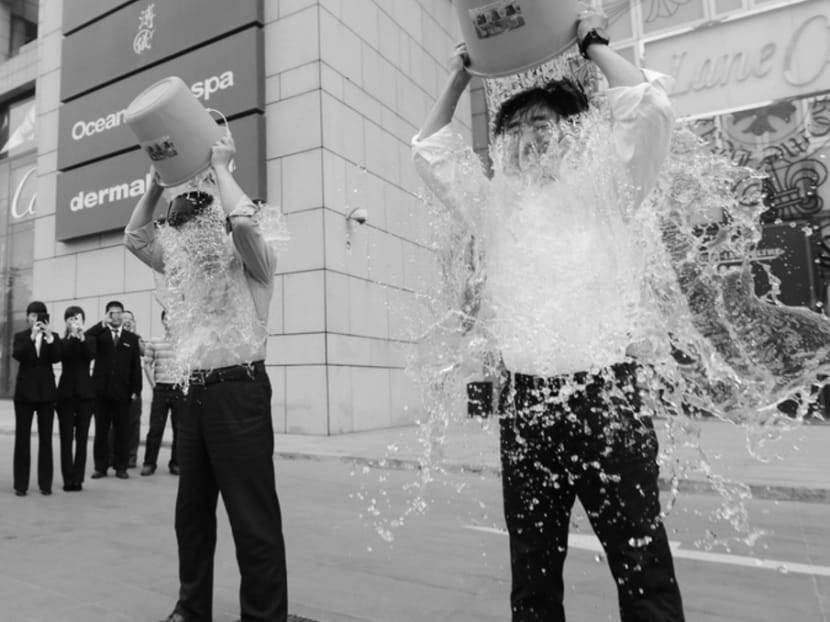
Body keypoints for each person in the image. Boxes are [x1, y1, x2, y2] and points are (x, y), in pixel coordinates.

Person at [412, 9, 684, 622]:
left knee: (641, 568)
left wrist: (590, 46)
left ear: (575, 132)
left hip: (606, 395)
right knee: (531, 575)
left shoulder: (610, 187)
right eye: (516, 129)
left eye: (543, 123)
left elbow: (648, 108)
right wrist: (461, 79)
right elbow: (430, 154)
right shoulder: (496, 209)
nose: (529, 137)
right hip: (527, 401)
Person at [125, 138, 287, 622]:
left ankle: (263, 616)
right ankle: (190, 610)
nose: (196, 244)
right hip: (191, 393)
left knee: (252, 521)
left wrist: (217, 167)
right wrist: (155, 188)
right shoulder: (183, 269)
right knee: (191, 518)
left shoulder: (254, 259)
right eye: (186, 233)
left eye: (200, 230)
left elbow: (241, 221)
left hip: (240, 392)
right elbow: (135, 238)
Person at [86, 300, 143, 480]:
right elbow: (86, 336)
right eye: (112, 313)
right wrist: (101, 324)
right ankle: (100, 467)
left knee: (122, 432)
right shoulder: (100, 335)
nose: (116, 316)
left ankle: (121, 467)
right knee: (101, 431)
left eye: (119, 312)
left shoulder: (131, 338)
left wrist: (136, 390)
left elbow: (136, 366)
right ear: (107, 315)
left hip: (123, 393)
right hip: (101, 392)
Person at [12, 301, 62, 496]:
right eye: (32, 315)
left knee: (46, 439)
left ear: (46, 318)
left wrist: (49, 336)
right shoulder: (21, 337)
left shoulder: (53, 337)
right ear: (27, 317)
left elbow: (57, 357)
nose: (36, 319)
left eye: (39, 316)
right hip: (24, 394)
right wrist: (32, 336)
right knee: (22, 439)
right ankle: (21, 485)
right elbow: (18, 355)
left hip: (47, 395)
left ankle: (45, 484)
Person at [56, 305, 96, 492]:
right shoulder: (62, 341)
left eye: (77, 319)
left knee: (82, 438)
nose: (74, 322)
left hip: (85, 395)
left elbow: (90, 355)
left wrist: (80, 337)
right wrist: (72, 338)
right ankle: (67, 478)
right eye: (71, 319)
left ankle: (78, 479)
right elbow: (61, 356)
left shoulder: (88, 340)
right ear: (66, 322)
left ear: (83, 321)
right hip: (65, 395)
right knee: (66, 438)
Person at [141, 309, 181, 476]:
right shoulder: (155, 342)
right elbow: (147, 364)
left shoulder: (185, 344)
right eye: (166, 317)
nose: (170, 320)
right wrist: (154, 384)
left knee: (179, 429)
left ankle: (176, 463)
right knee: (156, 429)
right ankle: (149, 463)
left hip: (179, 390)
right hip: (161, 389)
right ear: (163, 321)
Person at [120, 309, 146, 468]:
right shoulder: (115, 338)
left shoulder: (136, 339)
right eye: (124, 319)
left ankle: (131, 457)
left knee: (133, 424)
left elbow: (144, 352)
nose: (127, 321)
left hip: (134, 389)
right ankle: (113, 456)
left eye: (130, 319)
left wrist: (135, 337)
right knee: (114, 425)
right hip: (117, 388)